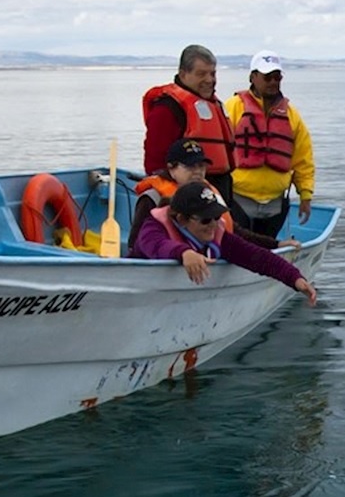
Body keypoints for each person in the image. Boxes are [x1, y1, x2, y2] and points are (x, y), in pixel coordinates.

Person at [132, 182, 318, 304]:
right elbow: (157, 245)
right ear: (181, 219)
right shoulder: (153, 227)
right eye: (205, 219)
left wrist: (296, 279)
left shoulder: (217, 235)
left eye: (216, 217)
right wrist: (184, 253)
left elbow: (257, 257)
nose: (213, 224)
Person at [224, 50, 314, 240]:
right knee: (242, 246)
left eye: (277, 77)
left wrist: (305, 195)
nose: (273, 82)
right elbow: (218, 149)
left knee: (266, 248)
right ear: (253, 77)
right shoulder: (232, 107)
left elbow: (303, 159)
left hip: (275, 204)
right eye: (267, 77)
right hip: (238, 198)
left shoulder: (292, 115)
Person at [141, 44, 235, 206]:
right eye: (201, 74)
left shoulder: (214, 105)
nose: (210, 80)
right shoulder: (167, 109)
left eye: (212, 74)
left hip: (217, 193)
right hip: (188, 202)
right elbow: (155, 165)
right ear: (183, 74)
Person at [127, 137, 214, 249]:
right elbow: (135, 243)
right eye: (190, 166)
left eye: (201, 166)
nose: (198, 172)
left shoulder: (207, 195)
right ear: (171, 169)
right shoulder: (152, 199)